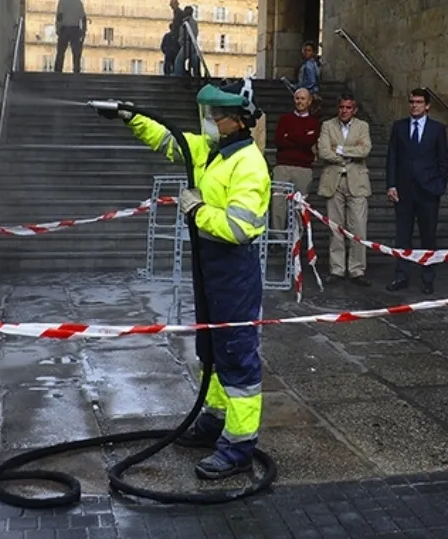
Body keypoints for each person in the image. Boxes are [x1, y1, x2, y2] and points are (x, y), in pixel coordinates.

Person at [96, 79, 269, 480]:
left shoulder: (249, 164)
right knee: (211, 347)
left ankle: (239, 445)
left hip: (234, 269)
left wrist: (197, 210)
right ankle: (215, 418)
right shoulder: (213, 152)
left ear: (238, 122)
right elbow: (171, 140)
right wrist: (130, 115)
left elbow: (239, 229)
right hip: (209, 265)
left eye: (216, 116)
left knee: (238, 355)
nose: (209, 121)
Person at [385, 88, 448, 294]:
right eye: (412, 101)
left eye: (419, 102)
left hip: (428, 190)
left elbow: (443, 160)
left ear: (427, 105)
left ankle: (428, 277)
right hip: (404, 190)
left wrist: (439, 185)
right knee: (402, 236)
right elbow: (392, 157)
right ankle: (401, 275)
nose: (415, 105)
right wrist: (391, 184)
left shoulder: (437, 129)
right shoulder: (399, 127)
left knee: (428, 236)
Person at [316, 93, 373, 286]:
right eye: (342, 107)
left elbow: (365, 150)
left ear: (354, 110)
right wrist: (349, 154)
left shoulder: (362, 126)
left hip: (357, 182)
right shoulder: (327, 125)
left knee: (358, 228)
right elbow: (323, 151)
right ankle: (337, 269)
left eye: (348, 108)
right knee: (335, 228)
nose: (344, 111)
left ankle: (357, 270)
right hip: (334, 181)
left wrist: (339, 149)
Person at [271, 88, 319, 240]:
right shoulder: (284, 119)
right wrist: (301, 137)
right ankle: (278, 238)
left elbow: (309, 141)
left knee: (300, 205)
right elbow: (279, 140)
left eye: (303, 99)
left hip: (303, 169)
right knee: (278, 202)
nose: (299, 101)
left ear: (309, 101)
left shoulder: (314, 122)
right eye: (297, 98)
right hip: (283, 166)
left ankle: (297, 237)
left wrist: (290, 136)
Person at [54, 0, 87, 73]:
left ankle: (58, 71)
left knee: (60, 52)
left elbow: (59, 16)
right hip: (75, 29)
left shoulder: (62, 2)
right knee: (76, 53)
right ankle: (76, 70)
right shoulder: (78, 3)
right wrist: (84, 31)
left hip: (64, 29)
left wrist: (58, 28)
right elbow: (83, 18)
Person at [173, 6, 200, 77]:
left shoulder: (188, 22)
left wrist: (182, 40)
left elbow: (192, 33)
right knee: (194, 59)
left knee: (178, 61)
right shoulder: (189, 21)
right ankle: (196, 74)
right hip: (189, 43)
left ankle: (178, 75)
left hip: (188, 43)